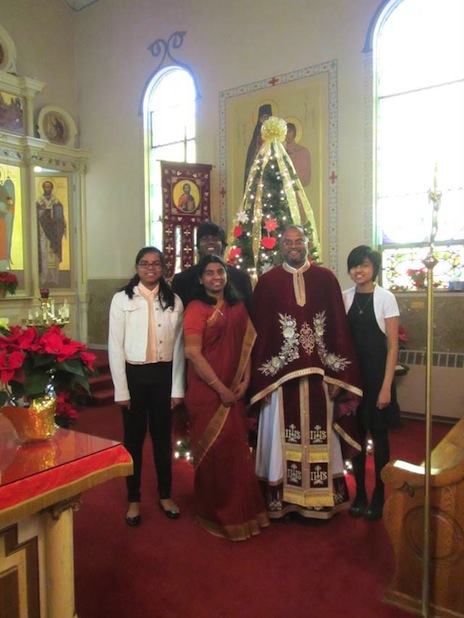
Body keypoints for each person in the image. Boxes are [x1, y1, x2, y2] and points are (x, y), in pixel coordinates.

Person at [250, 225, 362, 521]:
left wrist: (338, 373)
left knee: (322, 435)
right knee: (278, 439)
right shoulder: (267, 282)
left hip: (319, 377)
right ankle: (282, 500)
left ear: (307, 243)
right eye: (288, 242)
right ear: (280, 246)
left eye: (299, 241)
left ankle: (320, 501)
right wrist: (264, 380)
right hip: (280, 380)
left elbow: (338, 328)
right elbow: (260, 335)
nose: (294, 246)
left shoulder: (325, 279)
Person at [183, 254, 269, 540]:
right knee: (214, 454)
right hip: (207, 393)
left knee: (236, 452)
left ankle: (242, 512)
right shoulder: (196, 309)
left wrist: (245, 379)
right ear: (200, 278)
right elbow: (192, 353)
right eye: (209, 273)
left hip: (233, 390)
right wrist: (220, 388)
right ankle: (214, 513)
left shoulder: (237, 305)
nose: (216, 277)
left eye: (220, 271)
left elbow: (246, 343)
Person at [108, 246, 185, 526]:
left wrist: (177, 388)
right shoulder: (122, 299)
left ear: (163, 267)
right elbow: (115, 346)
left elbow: (179, 348)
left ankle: (165, 494)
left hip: (163, 375)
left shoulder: (174, 300)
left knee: (163, 439)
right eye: (144, 263)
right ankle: (134, 499)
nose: (150, 268)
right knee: (134, 440)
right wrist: (121, 389)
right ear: (137, 267)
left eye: (156, 263)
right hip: (134, 376)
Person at [342, 245, 401, 520]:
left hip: (378, 377)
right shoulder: (345, 297)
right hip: (355, 378)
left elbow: (392, 347)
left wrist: (387, 386)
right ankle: (360, 495)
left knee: (378, 437)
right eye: (355, 265)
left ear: (374, 268)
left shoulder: (386, 298)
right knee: (355, 436)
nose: (359, 270)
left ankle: (379, 494)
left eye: (364, 265)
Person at [171, 221, 252, 310]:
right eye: (205, 239)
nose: (210, 242)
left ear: (223, 246)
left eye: (215, 238)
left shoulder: (241, 278)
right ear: (198, 246)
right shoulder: (182, 280)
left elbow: (247, 314)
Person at [36, 180, 67, 285]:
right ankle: (44, 276)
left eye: (49, 187)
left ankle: (55, 278)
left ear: (52, 188)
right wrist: (43, 211)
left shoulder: (56, 201)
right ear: (43, 188)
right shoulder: (39, 201)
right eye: (45, 187)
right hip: (42, 230)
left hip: (54, 232)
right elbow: (36, 215)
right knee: (44, 253)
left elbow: (59, 217)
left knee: (54, 254)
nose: (47, 189)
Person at [243, 103, 273, 188]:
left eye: (267, 117)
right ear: (259, 119)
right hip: (258, 170)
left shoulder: (275, 135)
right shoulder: (257, 135)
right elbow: (253, 154)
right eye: (263, 117)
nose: (265, 119)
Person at [285, 122, 311, 187]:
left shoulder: (302, 151)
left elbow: (305, 177)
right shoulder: (281, 152)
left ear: (294, 133)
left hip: (296, 190)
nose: (287, 135)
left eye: (289, 131)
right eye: (285, 132)